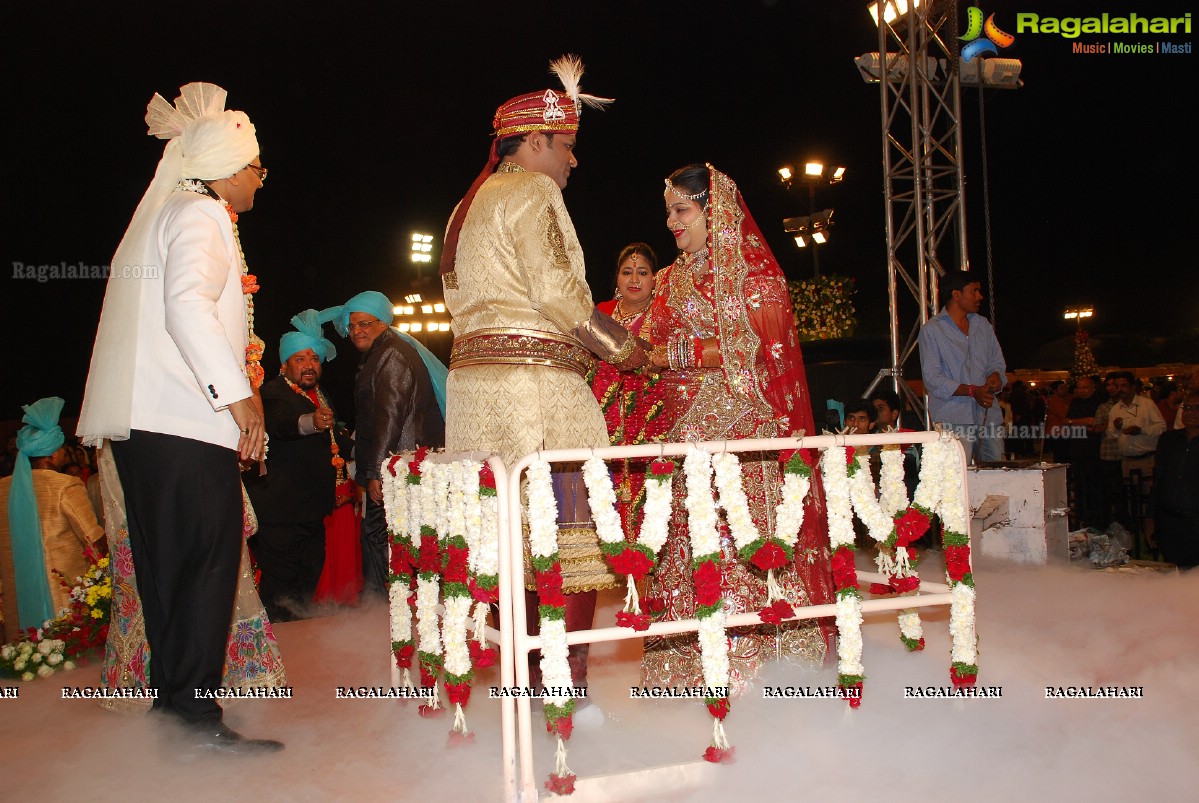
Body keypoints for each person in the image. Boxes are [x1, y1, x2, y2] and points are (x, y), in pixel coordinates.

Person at [439, 56, 648, 718]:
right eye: (568, 148)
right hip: (536, 394)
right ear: (535, 142)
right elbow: (559, 295)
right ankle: (563, 681)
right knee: (568, 537)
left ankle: (521, 671)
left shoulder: (464, 206)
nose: (572, 164)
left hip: (474, 399)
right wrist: (625, 346)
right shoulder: (532, 192)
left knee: (509, 539)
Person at [75, 82, 281, 754]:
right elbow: (186, 306)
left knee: (169, 570)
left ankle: (176, 710)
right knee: (205, 566)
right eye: (256, 165)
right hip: (186, 428)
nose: (260, 177)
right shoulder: (202, 215)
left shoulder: (169, 211)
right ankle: (192, 711)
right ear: (227, 167)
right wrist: (238, 395)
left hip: (151, 432)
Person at [640, 163, 835, 690]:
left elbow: (757, 352)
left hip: (745, 435)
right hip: (682, 436)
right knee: (686, 540)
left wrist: (673, 354)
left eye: (682, 211)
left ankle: (764, 664)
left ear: (714, 211)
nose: (673, 224)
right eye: (668, 214)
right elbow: (647, 344)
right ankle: (686, 667)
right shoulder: (669, 279)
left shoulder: (756, 277)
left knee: (743, 535)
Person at [334, 291, 446, 600]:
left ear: (383, 323)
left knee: (385, 536)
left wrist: (376, 471)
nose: (357, 330)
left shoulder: (392, 355)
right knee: (389, 536)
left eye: (365, 323)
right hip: (399, 463)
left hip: (398, 465)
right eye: (352, 325)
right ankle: (386, 607)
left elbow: (389, 415)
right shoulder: (385, 353)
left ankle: (395, 606)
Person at [245, 309, 354, 620]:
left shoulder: (319, 395)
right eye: (300, 359)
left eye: (314, 359)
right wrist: (311, 422)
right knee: (280, 594)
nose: (309, 365)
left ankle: (298, 655)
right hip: (279, 516)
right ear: (285, 364)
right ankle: (275, 656)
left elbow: (338, 439)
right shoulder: (271, 395)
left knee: (305, 589)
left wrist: (379, 454)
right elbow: (282, 424)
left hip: (311, 514)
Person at [1, 397, 105, 641]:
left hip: (17, 594)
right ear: (51, 455)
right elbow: (91, 536)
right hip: (61, 593)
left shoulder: (3, 488)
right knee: (67, 660)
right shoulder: (65, 485)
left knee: (27, 658)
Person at [591, 243, 662, 536]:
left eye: (642, 272)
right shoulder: (600, 314)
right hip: (605, 417)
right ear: (617, 279)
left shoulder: (663, 314)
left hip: (651, 417)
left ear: (654, 278)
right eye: (627, 272)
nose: (634, 280)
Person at [918, 270, 1007, 464]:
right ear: (956, 295)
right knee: (957, 479)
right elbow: (933, 378)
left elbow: (997, 363)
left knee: (998, 473)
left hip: (988, 414)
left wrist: (995, 376)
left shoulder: (982, 325)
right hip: (953, 418)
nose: (979, 296)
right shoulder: (932, 330)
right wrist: (972, 391)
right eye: (974, 291)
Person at [1152, 390, 1199, 568]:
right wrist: (1151, 519)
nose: (1191, 412)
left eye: (1197, 408)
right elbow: (1159, 480)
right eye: (1187, 407)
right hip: (1170, 521)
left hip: (1195, 520)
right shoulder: (1168, 440)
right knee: (1173, 575)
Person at [1063, 376, 1107, 529]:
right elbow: (1068, 421)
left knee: (1095, 486)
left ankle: (1096, 518)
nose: (1081, 391)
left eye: (1085, 387)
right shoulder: (1075, 402)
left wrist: (1076, 422)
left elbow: (1094, 422)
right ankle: (1081, 517)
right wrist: (1080, 421)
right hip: (1077, 449)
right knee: (1079, 486)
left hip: (1094, 450)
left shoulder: (1100, 402)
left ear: (1092, 388)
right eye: (1079, 388)